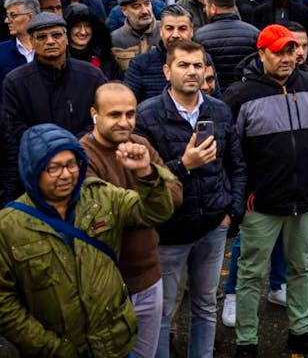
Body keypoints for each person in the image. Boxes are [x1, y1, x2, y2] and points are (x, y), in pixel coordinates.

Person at [0, 123, 176, 358]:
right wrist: (49, 346)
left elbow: (156, 212)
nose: (65, 174)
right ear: (32, 171)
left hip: (115, 345)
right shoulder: (9, 225)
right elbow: (4, 301)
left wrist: (145, 174)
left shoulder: (101, 197)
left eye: (71, 164)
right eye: (53, 168)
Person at [223, 24, 308, 357]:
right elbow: (232, 152)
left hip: (305, 199)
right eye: (278, 52)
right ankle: (246, 342)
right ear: (261, 53)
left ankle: (300, 332)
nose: (287, 58)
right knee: (250, 274)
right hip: (262, 204)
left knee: (302, 268)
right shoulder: (240, 95)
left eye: (290, 51)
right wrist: (244, 196)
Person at [133, 40, 246, 358]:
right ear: (167, 71)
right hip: (169, 233)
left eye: (198, 65)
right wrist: (184, 164)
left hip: (212, 226)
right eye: (183, 65)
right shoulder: (147, 116)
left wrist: (231, 213)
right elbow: (144, 180)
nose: (192, 71)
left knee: (206, 305)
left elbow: (237, 165)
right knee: (162, 312)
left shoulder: (219, 109)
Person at [81, 83, 183, 358]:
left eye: (130, 114)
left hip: (149, 275)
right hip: (108, 285)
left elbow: (174, 195)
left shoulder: (141, 145)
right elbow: (109, 217)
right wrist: (150, 196)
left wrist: (147, 172)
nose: (125, 122)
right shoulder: (82, 156)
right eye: (114, 114)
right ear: (94, 114)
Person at [3, 13, 108, 190]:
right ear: (31, 42)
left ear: (66, 39)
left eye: (56, 35)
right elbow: (14, 128)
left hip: (87, 163)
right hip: (38, 169)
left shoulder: (91, 75)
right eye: (42, 37)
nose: (50, 41)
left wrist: (72, 146)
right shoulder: (15, 82)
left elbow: (102, 118)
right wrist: (50, 149)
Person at [193, 0, 260, 90]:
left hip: (215, 94)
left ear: (213, 8)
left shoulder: (200, 36)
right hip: (246, 93)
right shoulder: (254, 33)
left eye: (206, 5)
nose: (204, 10)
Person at [124, 4, 196, 103]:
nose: (175, 35)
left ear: (191, 31)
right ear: (161, 30)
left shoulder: (204, 59)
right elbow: (127, 103)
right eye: (169, 28)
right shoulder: (141, 64)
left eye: (182, 29)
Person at [111, 0, 160, 71]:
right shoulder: (114, 39)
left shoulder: (167, 32)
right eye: (136, 6)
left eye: (147, 4)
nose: (145, 11)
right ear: (124, 11)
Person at [66, 4, 119, 80]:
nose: (83, 32)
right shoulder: (60, 58)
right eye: (77, 26)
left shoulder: (105, 57)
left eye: (87, 26)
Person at [0, 0, 39, 83]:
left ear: (30, 17)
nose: (7, 21)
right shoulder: (1, 50)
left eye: (13, 15)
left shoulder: (48, 46)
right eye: (7, 16)